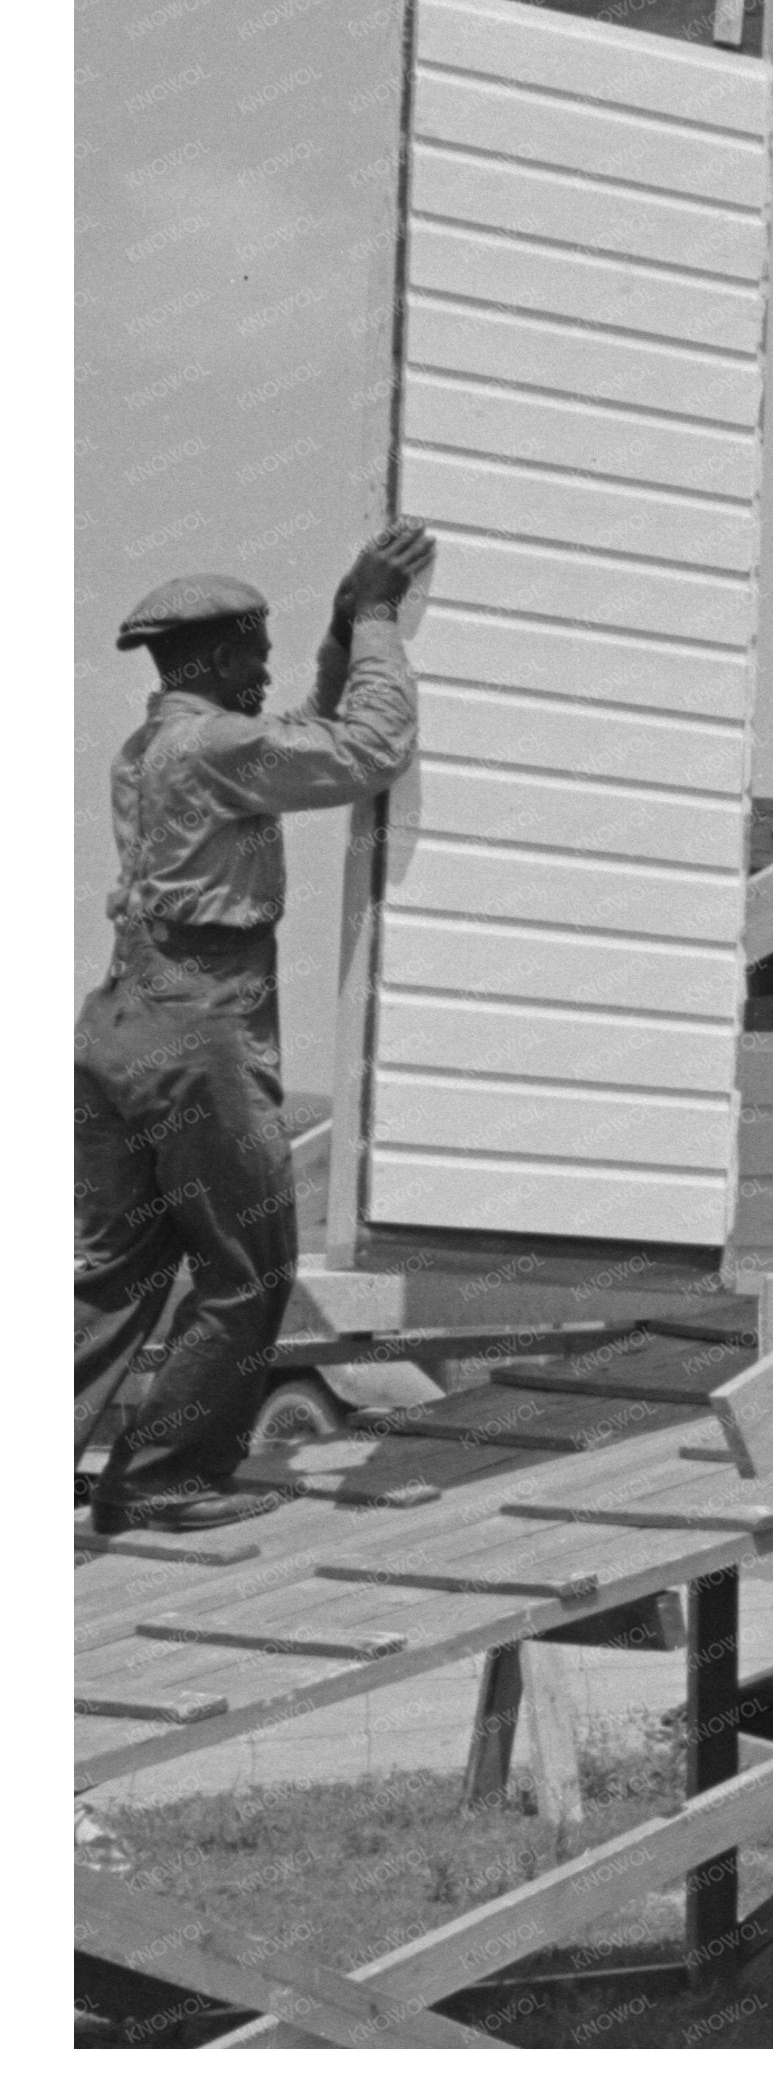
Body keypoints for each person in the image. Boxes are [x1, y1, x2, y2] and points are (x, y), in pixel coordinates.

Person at [77, 524, 433, 1534]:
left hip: (119, 1023)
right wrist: (374, 619)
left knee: (113, 1275)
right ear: (213, 657)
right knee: (248, 1266)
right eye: (254, 647)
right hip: (198, 1026)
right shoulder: (217, 746)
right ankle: (160, 1479)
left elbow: (305, 728)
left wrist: (337, 634)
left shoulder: (151, 746)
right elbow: (365, 749)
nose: (266, 664)